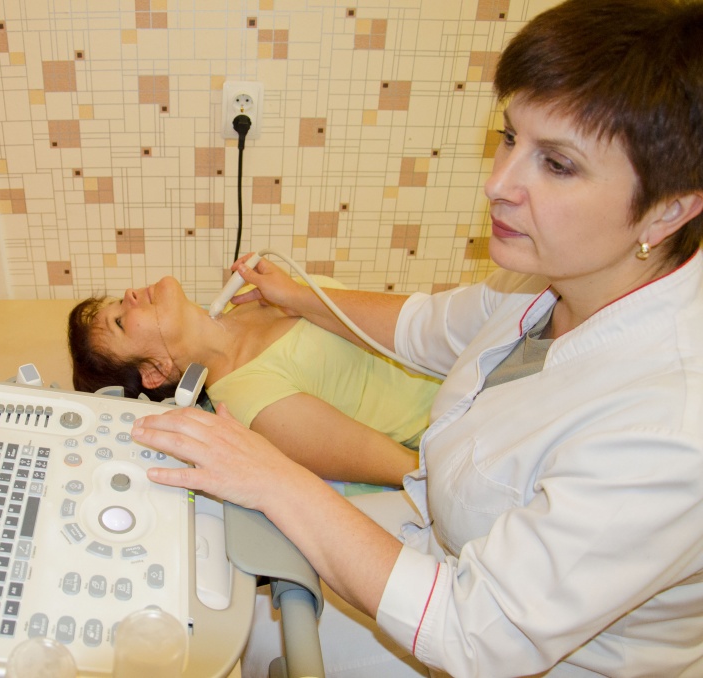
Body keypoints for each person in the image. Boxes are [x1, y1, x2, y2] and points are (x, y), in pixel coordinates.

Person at [130, 0, 703, 675]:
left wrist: (274, 478)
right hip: (436, 533)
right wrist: (303, 297)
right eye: (509, 137)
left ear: (667, 210)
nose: (497, 184)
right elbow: (428, 327)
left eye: (557, 165)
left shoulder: (669, 430)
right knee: (234, 627)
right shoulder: (558, 276)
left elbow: (477, 633)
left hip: (520, 649)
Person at [68, 275, 440, 489]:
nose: (130, 295)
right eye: (120, 322)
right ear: (155, 372)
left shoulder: (253, 297)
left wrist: (298, 295)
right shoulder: (254, 402)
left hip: (456, 349)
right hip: (461, 411)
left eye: (119, 302)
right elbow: (411, 470)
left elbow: (419, 326)